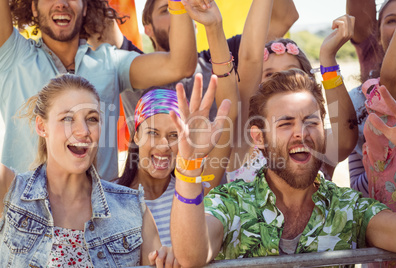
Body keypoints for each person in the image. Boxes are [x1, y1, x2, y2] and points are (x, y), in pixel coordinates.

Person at [169, 69, 396, 266]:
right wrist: (189, 166)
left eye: (311, 122)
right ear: (259, 138)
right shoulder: (231, 203)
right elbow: (191, 255)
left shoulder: (350, 208)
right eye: (286, 123)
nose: (301, 132)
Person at [0, 0, 202, 181]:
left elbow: (180, 65)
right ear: (34, 7)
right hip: (25, 214)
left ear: (86, 7)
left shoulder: (110, 62)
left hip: (99, 217)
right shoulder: (13, 56)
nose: (61, 3)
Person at [0, 74, 177, 267]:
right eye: (68, 118)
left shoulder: (135, 209)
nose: (83, 130)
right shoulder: (9, 189)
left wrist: (165, 261)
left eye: (92, 119)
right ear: (42, 126)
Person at [117, 0, 239, 247]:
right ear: (135, 136)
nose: (163, 145)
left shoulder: (195, 187)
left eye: (175, 135)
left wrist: (214, 24)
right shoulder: (109, 196)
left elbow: (229, 110)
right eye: (152, 132)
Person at [117, 0, 298, 134]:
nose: (178, 13)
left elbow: (283, 19)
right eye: (167, 9)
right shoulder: (130, 67)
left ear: (195, 22)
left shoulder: (223, 55)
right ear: (147, 28)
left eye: (184, 6)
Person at [226, 7, 357, 182]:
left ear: (309, 82)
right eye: (270, 75)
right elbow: (249, 57)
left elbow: (346, 141)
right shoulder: (241, 135)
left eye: (292, 72)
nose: (282, 82)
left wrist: (328, 58)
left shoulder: (315, 138)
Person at [347, 0, 396, 197]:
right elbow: (356, 188)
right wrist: (381, 162)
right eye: (391, 20)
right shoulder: (358, 100)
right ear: (377, 35)